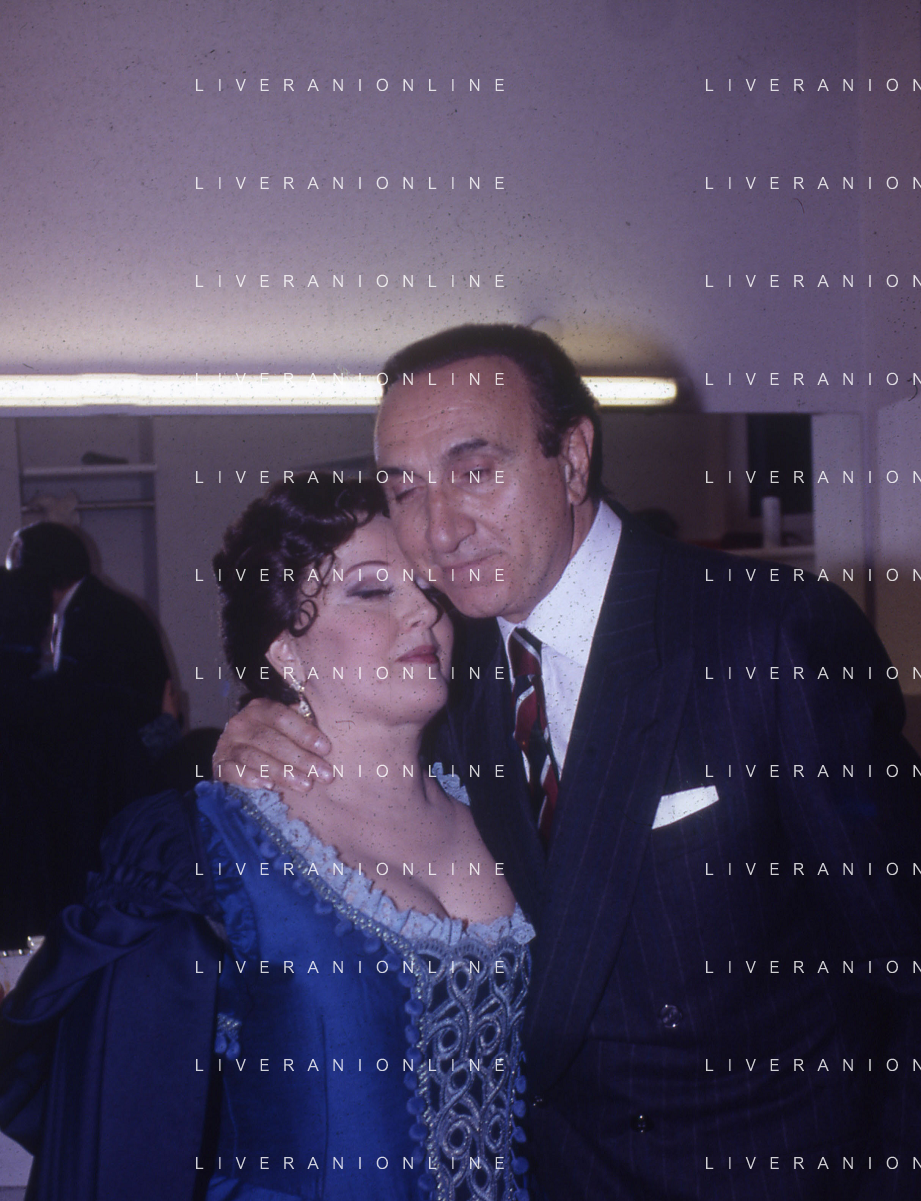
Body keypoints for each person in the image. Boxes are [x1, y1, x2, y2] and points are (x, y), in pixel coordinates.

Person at [215, 324, 921, 1200]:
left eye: (476, 471)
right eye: (405, 488)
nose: (440, 528)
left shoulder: (763, 635)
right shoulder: (446, 667)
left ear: (574, 458)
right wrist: (256, 722)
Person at [0, 474, 533, 1201]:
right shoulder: (213, 846)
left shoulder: (510, 807)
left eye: (425, 585)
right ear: (286, 653)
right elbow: (122, 1122)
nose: (424, 611)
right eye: (372, 590)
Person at [6, 521, 171, 738]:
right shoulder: (92, 605)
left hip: (132, 749)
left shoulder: (89, 617)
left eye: (19, 581)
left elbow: (75, 712)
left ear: (40, 575)